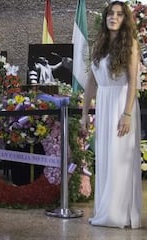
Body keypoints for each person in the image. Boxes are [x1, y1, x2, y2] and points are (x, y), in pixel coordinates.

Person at [80, 1, 141, 229]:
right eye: (110, 14)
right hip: (104, 105)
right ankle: (105, 209)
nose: (113, 17)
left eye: (119, 14)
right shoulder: (100, 44)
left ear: (125, 19)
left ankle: (117, 214)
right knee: (105, 158)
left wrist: (127, 113)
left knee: (119, 159)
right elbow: (91, 80)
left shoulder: (131, 44)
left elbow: (134, 81)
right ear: (105, 18)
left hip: (121, 104)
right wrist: (85, 113)